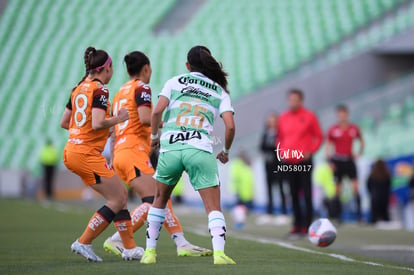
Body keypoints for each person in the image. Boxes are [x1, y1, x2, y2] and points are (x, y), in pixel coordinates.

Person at [103, 51, 211, 258]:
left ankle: (181, 243)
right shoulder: (141, 87)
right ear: (146, 68)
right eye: (150, 68)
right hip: (134, 152)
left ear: (127, 70)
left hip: (121, 154)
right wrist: (172, 123)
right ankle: (116, 239)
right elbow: (146, 118)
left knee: (162, 197)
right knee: (154, 200)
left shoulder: (119, 93)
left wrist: (114, 158)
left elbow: (114, 131)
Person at [141, 45, 236, 265]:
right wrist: (226, 151)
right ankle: (219, 255)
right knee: (213, 207)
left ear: (187, 66)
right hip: (199, 149)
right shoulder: (219, 91)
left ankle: (149, 253)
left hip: (171, 148)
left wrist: (155, 136)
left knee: (159, 200)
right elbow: (230, 127)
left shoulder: (174, 81)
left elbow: (156, 112)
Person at [60, 46, 142, 262]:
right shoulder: (101, 90)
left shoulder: (78, 88)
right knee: (118, 197)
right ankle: (84, 241)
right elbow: (97, 123)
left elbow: (64, 122)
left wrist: (81, 134)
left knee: (120, 197)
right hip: (86, 153)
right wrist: (119, 118)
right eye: (112, 68)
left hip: (73, 151)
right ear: (106, 68)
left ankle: (130, 247)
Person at [277, 89, 323, 238]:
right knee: (293, 193)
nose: (293, 102)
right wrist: (282, 152)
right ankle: (297, 225)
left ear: (301, 100)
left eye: (295, 100)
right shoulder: (283, 117)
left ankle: (308, 225)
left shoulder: (309, 116)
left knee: (307, 193)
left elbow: (319, 136)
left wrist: (311, 150)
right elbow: (279, 138)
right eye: (290, 100)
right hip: (289, 161)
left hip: (304, 160)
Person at [326, 105, 364, 222]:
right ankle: (338, 216)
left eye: (344, 114)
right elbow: (328, 146)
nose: (342, 116)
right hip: (338, 161)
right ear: (338, 116)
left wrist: (358, 153)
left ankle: (359, 216)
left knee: (355, 188)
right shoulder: (333, 129)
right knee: (338, 189)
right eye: (340, 114)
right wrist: (330, 161)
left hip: (349, 160)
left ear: (347, 115)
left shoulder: (353, 128)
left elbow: (361, 141)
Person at [260, 112, 287, 215]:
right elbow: (262, 147)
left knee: (281, 187)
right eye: (269, 120)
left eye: (273, 120)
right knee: (269, 188)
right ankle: (270, 211)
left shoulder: (280, 133)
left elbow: (281, 147)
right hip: (268, 165)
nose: (271, 122)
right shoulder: (266, 134)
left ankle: (284, 211)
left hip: (279, 165)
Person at [367, 159, 391, 224]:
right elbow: (389, 185)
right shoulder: (387, 174)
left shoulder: (372, 174)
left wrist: (371, 193)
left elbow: (368, 185)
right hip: (384, 197)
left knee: (374, 216)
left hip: (375, 196)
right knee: (385, 214)